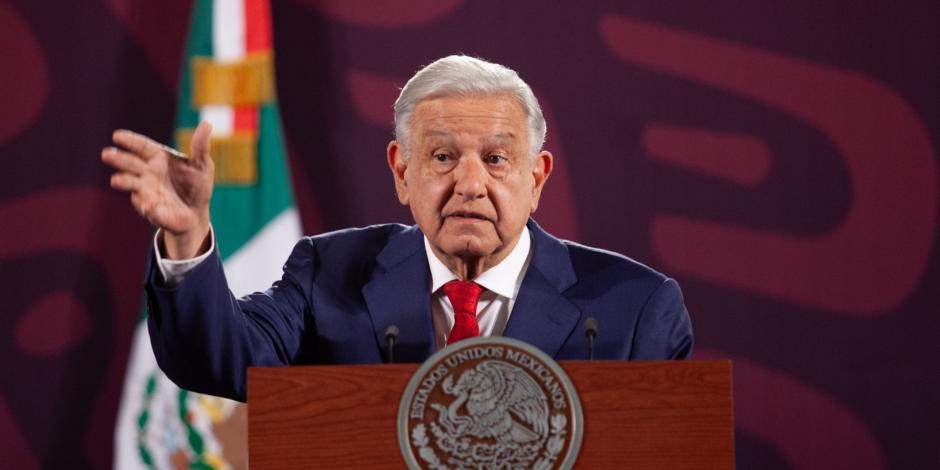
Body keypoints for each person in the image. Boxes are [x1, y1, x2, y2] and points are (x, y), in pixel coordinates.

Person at [102, 55, 692, 402]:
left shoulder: (635, 308)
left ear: (537, 177)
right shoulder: (328, 275)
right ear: (401, 172)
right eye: (440, 157)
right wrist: (186, 239)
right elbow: (218, 359)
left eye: (494, 158)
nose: (469, 183)